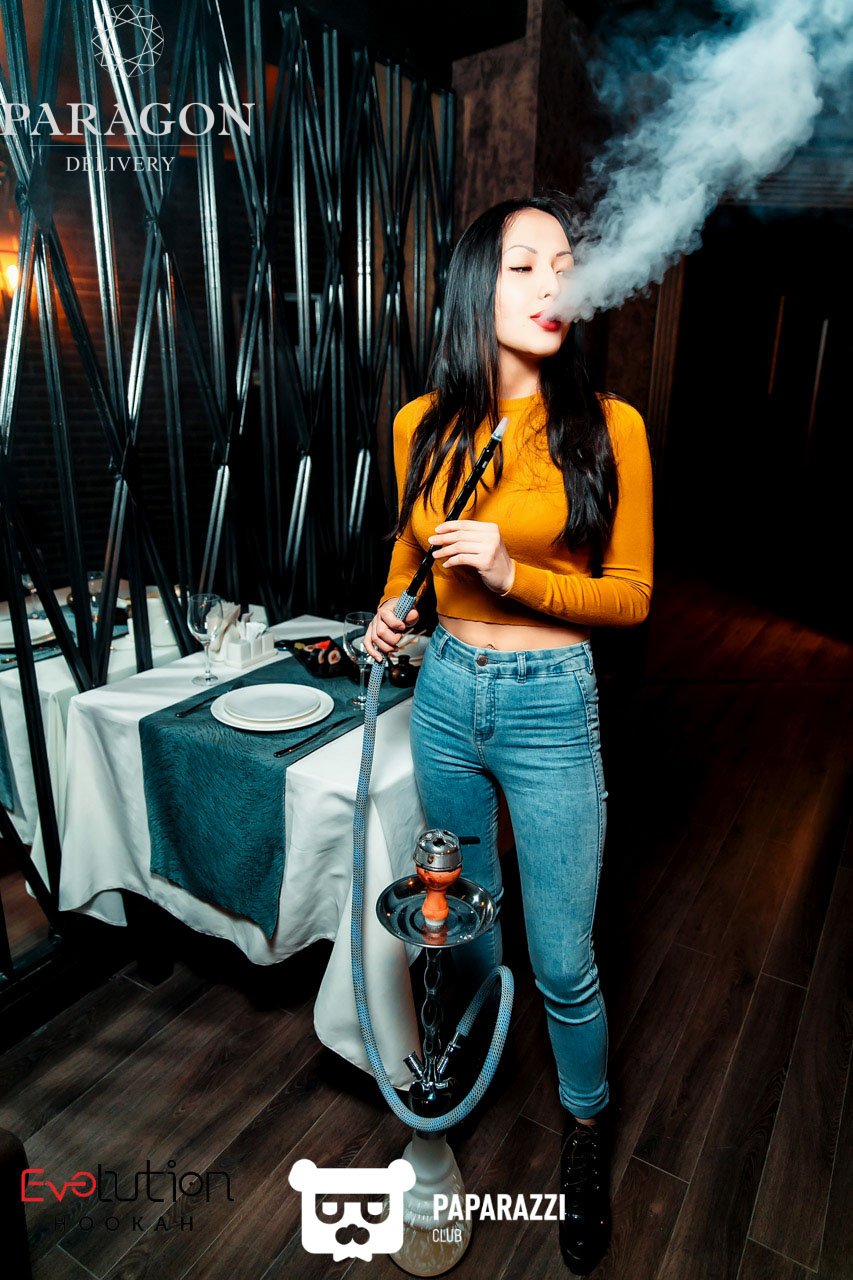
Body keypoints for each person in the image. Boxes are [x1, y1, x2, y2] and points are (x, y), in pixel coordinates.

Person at [363, 193, 653, 1276]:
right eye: (524, 265)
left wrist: (512, 571)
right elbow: (409, 559)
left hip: (549, 703)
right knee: (465, 929)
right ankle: (465, 1092)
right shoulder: (421, 423)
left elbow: (631, 596)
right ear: (475, 285)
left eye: (564, 265)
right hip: (444, 695)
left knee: (563, 959)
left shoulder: (608, 426)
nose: (552, 286)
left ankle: (583, 1128)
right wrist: (388, 616)